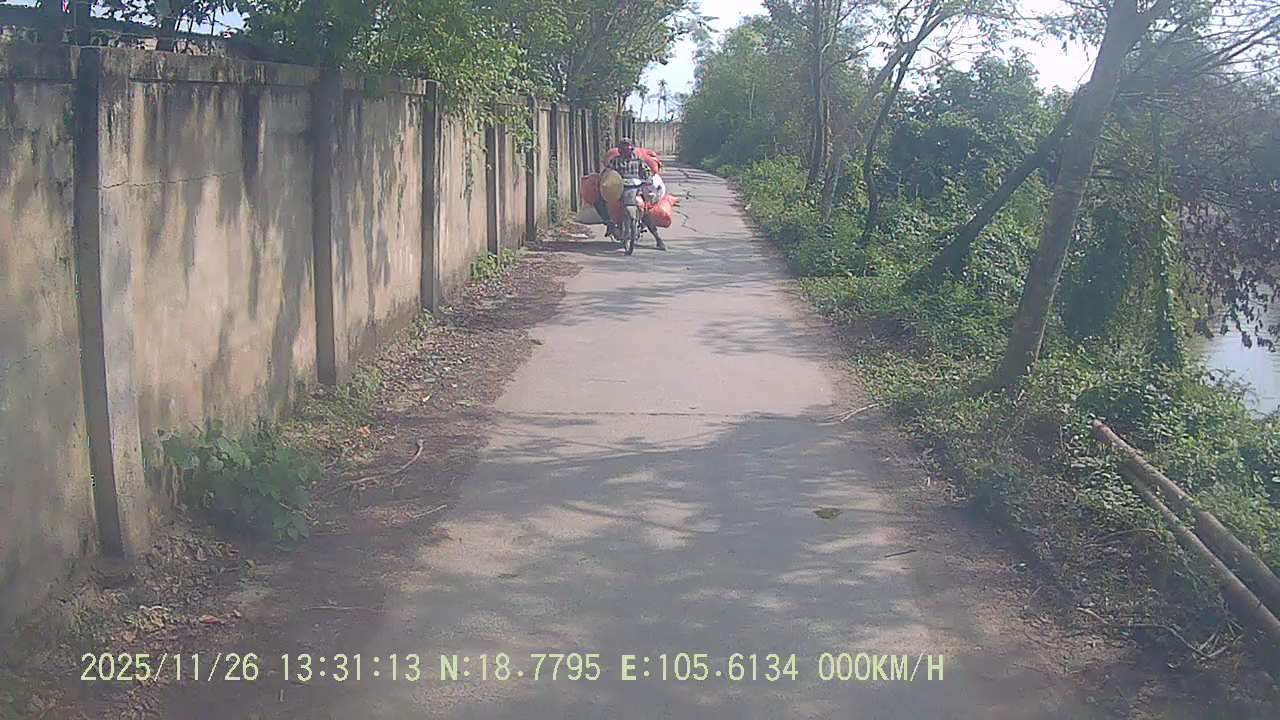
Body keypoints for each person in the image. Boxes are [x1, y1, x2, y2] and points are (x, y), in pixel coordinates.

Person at [595, 138, 666, 251]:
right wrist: (605, 179)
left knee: (645, 212)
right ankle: (610, 224)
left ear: (632, 148)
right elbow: (607, 172)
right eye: (623, 147)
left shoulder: (638, 161)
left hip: (635, 189)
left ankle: (658, 238)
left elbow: (647, 172)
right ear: (619, 150)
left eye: (628, 147)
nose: (626, 150)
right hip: (618, 189)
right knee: (600, 202)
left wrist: (647, 180)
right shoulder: (615, 161)